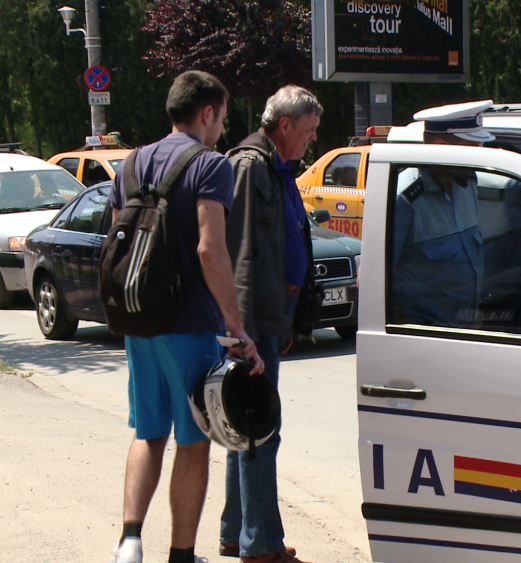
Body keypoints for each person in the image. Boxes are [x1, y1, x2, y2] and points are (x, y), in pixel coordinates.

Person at [109, 70, 263, 563]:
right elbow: (210, 250)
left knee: (148, 432)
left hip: (139, 321)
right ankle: (180, 555)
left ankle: (129, 544)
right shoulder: (210, 165)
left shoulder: (131, 164)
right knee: (193, 441)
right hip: (189, 324)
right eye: (221, 116)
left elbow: (120, 244)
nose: (222, 127)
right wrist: (236, 328)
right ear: (207, 112)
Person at [220, 85, 322, 563]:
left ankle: (236, 531)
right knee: (259, 428)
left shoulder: (277, 166)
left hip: (271, 316)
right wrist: (242, 333)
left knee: (247, 425)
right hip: (253, 321)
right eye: (308, 131)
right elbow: (238, 250)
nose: (312, 140)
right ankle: (260, 546)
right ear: (285, 126)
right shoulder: (249, 165)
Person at [392, 100, 493, 326]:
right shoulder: (405, 199)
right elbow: (373, 282)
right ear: (440, 145)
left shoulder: (467, 185)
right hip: (426, 341)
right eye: (472, 148)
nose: (479, 158)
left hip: (467, 331)